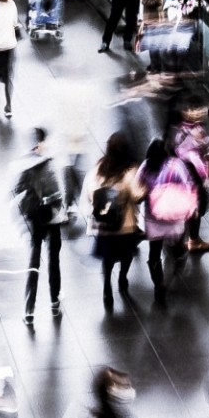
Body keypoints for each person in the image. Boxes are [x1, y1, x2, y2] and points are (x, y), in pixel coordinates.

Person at [88, 132, 146, 312]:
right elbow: (137, 195)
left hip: (104, 225)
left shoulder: (100, 166)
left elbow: (92, 192)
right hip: (125, 226)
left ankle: (107, 287)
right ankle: (122, 277)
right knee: (126, 254)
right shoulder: (129, 171)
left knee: (108, 258)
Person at [15, 127, 66, 322]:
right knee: (53, 260)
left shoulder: (26, 164)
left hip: (35, 218)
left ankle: (29, 309)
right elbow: (60, 192)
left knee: (34, 261)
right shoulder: (51, 163)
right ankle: (54, 302)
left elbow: (18, 188)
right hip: (52, 218)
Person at [139, 139, 195, 309]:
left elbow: (137, 189)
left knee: (154, 255)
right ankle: (178, 261)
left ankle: (159, 285)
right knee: (177, 246)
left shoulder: (145, 167)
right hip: (174, 218)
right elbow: (188, 188)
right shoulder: (176, 166)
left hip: (154, 219)